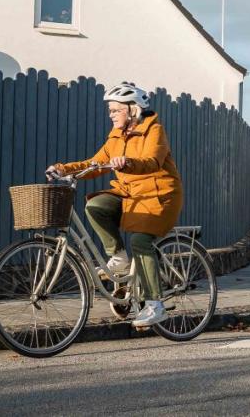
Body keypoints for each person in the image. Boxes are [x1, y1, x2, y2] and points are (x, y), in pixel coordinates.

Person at [51, 81, 184, 328]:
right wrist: (63, 169)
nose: (110, 114)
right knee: (96, 205)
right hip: (130, 194)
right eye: (110, 110)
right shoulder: (116, 136)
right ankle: (118, 256)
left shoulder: (154, 130)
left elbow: (152, 161)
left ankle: (155, 305)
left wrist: (128, 163)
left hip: (159, 195)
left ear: (132, 109)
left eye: (115, 110)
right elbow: (95, 163)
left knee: (140, 241)